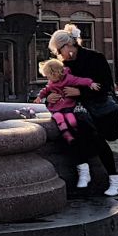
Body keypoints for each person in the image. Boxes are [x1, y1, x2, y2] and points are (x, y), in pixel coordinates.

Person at [49, 28, 118, 196]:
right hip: (77, 111)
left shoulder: (95, 58)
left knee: (98, 140)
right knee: (69, 133)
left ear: (69, 45)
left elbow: (106, 86)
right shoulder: (64, 64)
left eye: (59, 50)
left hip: (98, 109)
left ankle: (115, 180)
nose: (59, 55)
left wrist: (81, 92)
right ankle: (84, 170)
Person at [34, 58, 100, 189]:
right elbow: (49, 90)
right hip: (66, 110)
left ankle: (86, 169)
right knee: (70, 137)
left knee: (77, 132)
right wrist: (47, 99)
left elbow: (101, 88)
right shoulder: (57, 75)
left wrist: (80, 92)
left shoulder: (85, 65)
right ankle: (83, 168)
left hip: (82, 112)